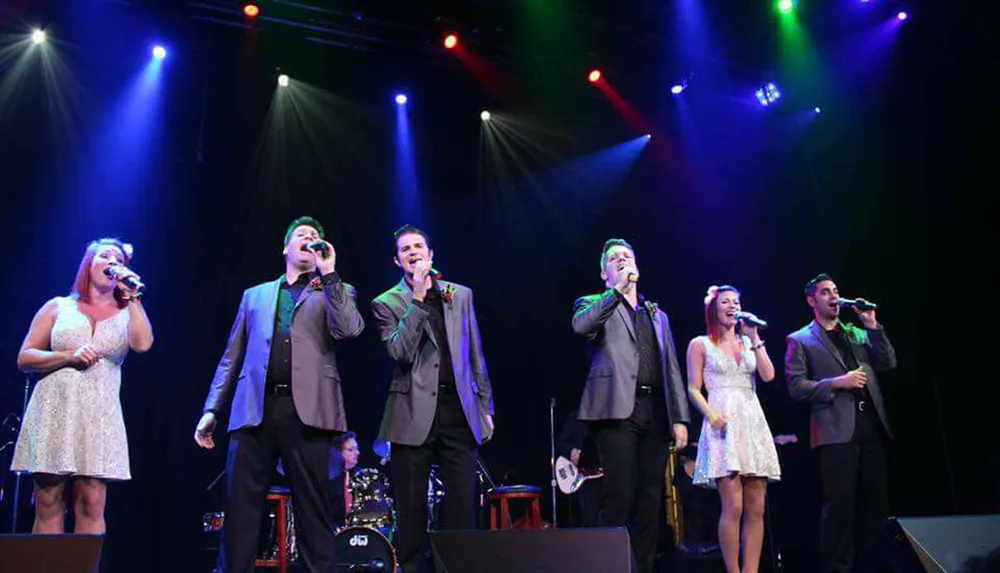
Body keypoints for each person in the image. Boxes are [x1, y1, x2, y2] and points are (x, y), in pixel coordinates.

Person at [194, 216, 365, 573]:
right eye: (301, 235)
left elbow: (349, 329)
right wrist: (212, 409)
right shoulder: (254, 295)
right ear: (286, 247)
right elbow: (232, 356)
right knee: (240, 511)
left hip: (310, 411)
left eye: (315, 236)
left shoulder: (336, 290)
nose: (308, 239)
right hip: (254, 407)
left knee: (313, 511)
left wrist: (329, 273)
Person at [371, 224, 495, 573]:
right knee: (411, 510)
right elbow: (400, 350)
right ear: (398, 260)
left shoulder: (461, 295)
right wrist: (418, 299)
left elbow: (475, 354)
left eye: (419, 246)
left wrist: (485, 406)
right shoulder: (386, 302)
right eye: (406, 249)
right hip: (410, 413)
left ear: (431, 254)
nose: (413, 252)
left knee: (461, 506)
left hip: (458, 410)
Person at [12, 238, 153, 534]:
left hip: (99, 414)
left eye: (118, 259)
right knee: (48, 500)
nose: (112, 262)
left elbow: (142, 344)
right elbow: (25, 357)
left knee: (91, 500)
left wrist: (134, 297)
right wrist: (67, 356)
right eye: (105, 256)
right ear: (88, 264)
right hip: (53, 411)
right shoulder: (58, 306)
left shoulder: (128, 311)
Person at [571, 238, 690, 573]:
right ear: (604, 274)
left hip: (655, 409)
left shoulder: (656, 314)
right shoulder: (593, 302)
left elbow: (672, 368)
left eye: (627, 256)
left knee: (651, 501)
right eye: (614, 258)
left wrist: (680, 417)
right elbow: (581, 327)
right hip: (616, 412)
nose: (622, 260)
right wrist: (616, 293)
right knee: (620, 495)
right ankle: (607, 566)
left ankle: (643, 568)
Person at [785, 273, 897, 573]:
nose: (833, 297)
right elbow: (796, 387)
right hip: (835, 430)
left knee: (876, 502)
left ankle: (876, 565)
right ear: (812, 300)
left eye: (835, 291)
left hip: (870, 424)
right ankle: (838, 568)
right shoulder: (800, 339)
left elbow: (887, 362)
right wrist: (837, 382)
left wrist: (872, 325)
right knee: (840, 506)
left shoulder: (856, 333)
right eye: (825, 292)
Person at [686, 285, 781, 573]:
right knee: (734, 506)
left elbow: (768, 375)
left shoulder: (748, 342)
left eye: (736, 302)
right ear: (714, 307)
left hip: (751, 424)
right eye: (725, 301)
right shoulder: (700, 343)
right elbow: (692, 388)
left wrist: (755, 338)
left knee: (757, 507)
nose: (732, 306)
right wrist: (711, 414)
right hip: (723, 426)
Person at [555, 408, 601, 527]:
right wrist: (572, 451)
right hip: (585, 479)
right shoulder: (576, 416)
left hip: (608, 476)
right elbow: (560, 443)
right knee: (590, 519)